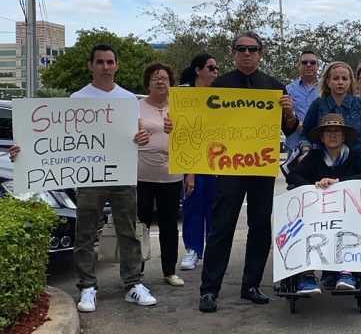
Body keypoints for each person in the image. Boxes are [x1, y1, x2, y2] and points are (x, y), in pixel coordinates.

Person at [10, 43, 156, 312]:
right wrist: (25, 151)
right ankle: (87, 287)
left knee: (128, 233)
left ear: (117, 65)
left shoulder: (127, 100)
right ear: (91, 66)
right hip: (90, 178)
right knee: (85, 233)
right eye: (100, 62)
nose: (105, 67)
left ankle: (133, 283)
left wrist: (141, 137)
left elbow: (137, 134)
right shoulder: (78, 99)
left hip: (122, 176)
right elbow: (57, 137)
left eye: (110, 62)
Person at [198, 31, 299, 313]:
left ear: (260, 53)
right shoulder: (220, 85)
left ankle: (252, 284)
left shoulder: (274, 87)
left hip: (260, 167)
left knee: (259, 226)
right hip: (229, 168)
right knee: (222, 226)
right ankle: (209, 290)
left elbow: (289, 129)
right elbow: (204, 125)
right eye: (240, 48)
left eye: (252, 49)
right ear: (233, 53)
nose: (246, 53)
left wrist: (289, 113)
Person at [286, 114, 361, 294]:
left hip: (348, 211)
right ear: (321, 137)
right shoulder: (314, 156)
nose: (332, 135)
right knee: (305, 228)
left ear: (344, 136)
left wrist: (339, 182)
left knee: (347, 228)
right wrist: (313, 186)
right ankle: (307, 275)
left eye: (337, 132)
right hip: (317, 211)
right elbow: (292, 175)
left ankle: (346, 271)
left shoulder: (355, 155)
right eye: (328, 132)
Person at [137, 62, 184, 287]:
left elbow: (190, 140)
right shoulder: (136, 107)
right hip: (141, 175)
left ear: (171, 83)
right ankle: (136, 272)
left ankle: (169, 271)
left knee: (169, 225)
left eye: (164, 78)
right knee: (140, 224)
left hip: (171, 175)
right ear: (147, 83)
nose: (159, 82)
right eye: (155, 78)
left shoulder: (180, 108)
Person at [178, 53, 219, 271]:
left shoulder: (220, 93)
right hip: (189, 159)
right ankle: (192, 249)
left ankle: (212, 250)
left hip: (216, 159)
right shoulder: (183, 94)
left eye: (216, 69)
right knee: (193, 204)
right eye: (211, 68)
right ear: (198, 70)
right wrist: (190, 171)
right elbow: (182, 132)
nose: (214, 72)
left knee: (215, 206)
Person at [297, 61, 361, 162]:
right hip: (323, 164)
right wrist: (306, 151)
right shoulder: (317, 104)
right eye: (336, 78)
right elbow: (305, 134)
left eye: (344, 79)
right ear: (328, 81)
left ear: (350, 81)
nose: (340, 82)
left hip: (356, 162)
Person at [284, 50, 320, 153]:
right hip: (294, 145)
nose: (308, 65)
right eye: (304, 62)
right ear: (299, 66)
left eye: (312, 62)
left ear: (318, 65)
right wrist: (295, 121)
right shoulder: (288, 89)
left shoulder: (326, 90)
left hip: (320, 145)